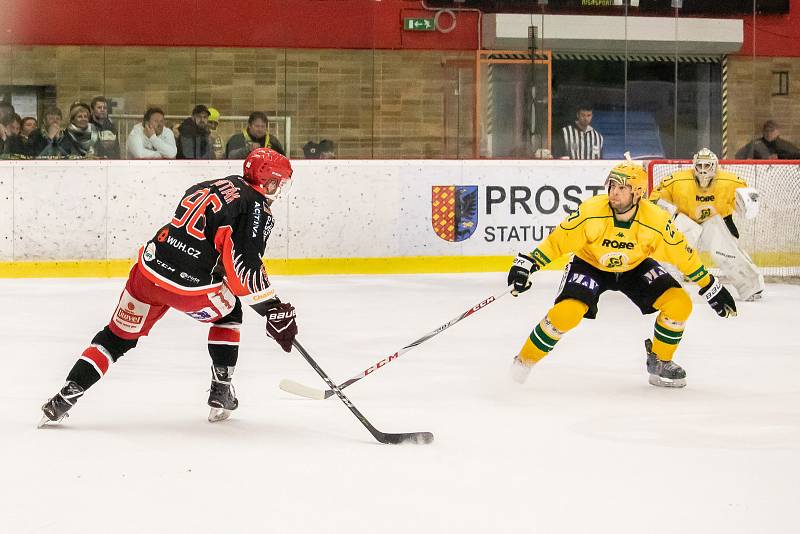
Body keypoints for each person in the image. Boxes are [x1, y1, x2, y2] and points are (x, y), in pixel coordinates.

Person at [39, 148, 299, 427]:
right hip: (190, 289)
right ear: (268, 181)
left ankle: (64, 398)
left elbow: (209, 237)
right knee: (230, 313)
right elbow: (244, 270)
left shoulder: (216, 184)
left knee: (116, 337)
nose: (280, 188)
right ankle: (221, 391)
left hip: (149, 270)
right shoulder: (256, 207)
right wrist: (273, 309)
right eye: (279, 182)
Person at [507, 162, 737, 389]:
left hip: (634, 268)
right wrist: (528, 264)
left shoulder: (656, 220)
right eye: (612, 186)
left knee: (680, 304)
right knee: (566, 314)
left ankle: (660, 360)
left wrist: (710, 286)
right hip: (590, 264)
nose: (613, 192)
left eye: (621, 188)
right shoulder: (591, 211)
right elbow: (558, 242)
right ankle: (523, 362)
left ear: (637, 193)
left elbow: (682, 255)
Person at [649, 148, 764, 301]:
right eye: (700, 166)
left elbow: (745, 204)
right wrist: (667, 210)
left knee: (726, 252)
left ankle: (751, 286)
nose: (703, 171)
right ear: (694, 166)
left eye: (707, 166)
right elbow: (654, 201)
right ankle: (669, 283)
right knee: (672, 242)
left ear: (715, 166)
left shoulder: (731, 182)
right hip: (687, 225)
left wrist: (746, 204)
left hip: (715, 225)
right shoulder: (676, 181)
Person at [40, 102, 105, 158]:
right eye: (80, 117)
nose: (83, 119)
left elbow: (102, 152)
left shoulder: (95, 132)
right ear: (73, 120)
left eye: (85, 116)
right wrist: (52, 139)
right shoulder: (66, 134)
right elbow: (65, 155)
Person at [735, 120, 800, 160]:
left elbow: (797, 154)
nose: (769, 133)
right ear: (763, 132)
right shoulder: (755, 144)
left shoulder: (784, 145)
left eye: (772, 131)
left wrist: (779, 156)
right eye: (766, 131)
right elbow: (739, 155)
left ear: (778, 132)